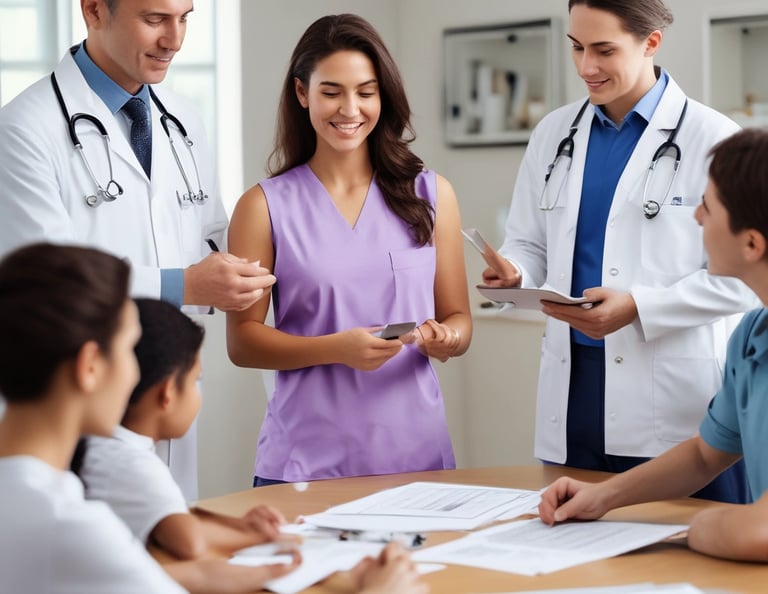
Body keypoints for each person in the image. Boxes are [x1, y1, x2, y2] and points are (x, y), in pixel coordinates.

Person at [479, 0, 757, 502]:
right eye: (577, 48)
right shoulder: (552, 135)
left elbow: (746, 278)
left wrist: (638, 308)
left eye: (604, 50)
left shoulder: (712, 137)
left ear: (651, 41)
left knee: (679, 567)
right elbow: (528, 242)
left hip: (672, 397)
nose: (586, 67)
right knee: (571, 553)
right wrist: (515, 272)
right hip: (574, 392)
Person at [0, 0, 276, 500]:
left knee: (168, 553)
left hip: (168, 388)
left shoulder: (184, 121)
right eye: (154, 20)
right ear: (93, 10)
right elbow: (47, 283)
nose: (175, 39)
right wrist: (184, 284)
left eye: (186, 17)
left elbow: (209, 232)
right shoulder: (24, 129)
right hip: (78, 396)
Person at [226, 13, 472, 485]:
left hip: (416, 457)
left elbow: (458, 319)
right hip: (304, 462)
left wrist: (448, 339)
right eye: (331, 91)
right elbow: (243, 342)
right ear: (303, 94)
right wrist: (335, 349)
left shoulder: (432, 194)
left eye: (365, 91)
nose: (350, 109)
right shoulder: (262, 207)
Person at [0, 243, 298, 594]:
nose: (135, 372)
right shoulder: (68, 525)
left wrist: (234, 575)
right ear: (90, 366)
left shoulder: (36, 497)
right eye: (130, 349)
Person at [539, 128, 768, 562]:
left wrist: (698, 527)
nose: (697, 217)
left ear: (752, 243)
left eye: (708, 206)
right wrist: (604, 496)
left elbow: (760, 533)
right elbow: (705, 454)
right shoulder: (754, 336)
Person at [73, 298, 291, 559]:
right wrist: (257, 537)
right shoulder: (130, 463)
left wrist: (240, 525)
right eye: (194, 380)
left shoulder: (103, 448)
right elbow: (189, 542)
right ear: (167, 393)